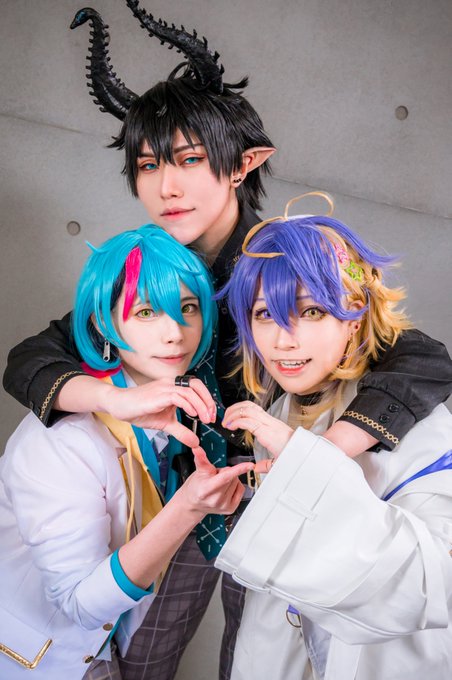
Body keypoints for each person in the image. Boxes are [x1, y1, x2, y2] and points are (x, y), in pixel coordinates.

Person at [2, 4, 452, 679]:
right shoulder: (147, 268)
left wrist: (317, 458)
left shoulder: (280, 261)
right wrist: (112, 399)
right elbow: (32, 359)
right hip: (178, 494)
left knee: (261, 660)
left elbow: (421, 360)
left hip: (273, 489)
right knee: (139, 657)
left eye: (189, 160)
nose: (167, 186)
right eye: (148, 165)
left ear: (244, 164)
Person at [0, 225, 253, 680]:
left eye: (188, 308)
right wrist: (189, 508)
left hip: (107, 650)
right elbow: (79, 604)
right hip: (35, 658)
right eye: (147, 312)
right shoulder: (63, 440)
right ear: (103, 323)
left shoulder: (181, 407)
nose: (175, 333)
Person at [216, 199, 452, 680]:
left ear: (353, 317)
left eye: (311, 311)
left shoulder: (418, 425)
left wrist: (309, 467)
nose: (284, 339)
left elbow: (431, 587)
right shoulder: (277, 411)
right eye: (265, 314)